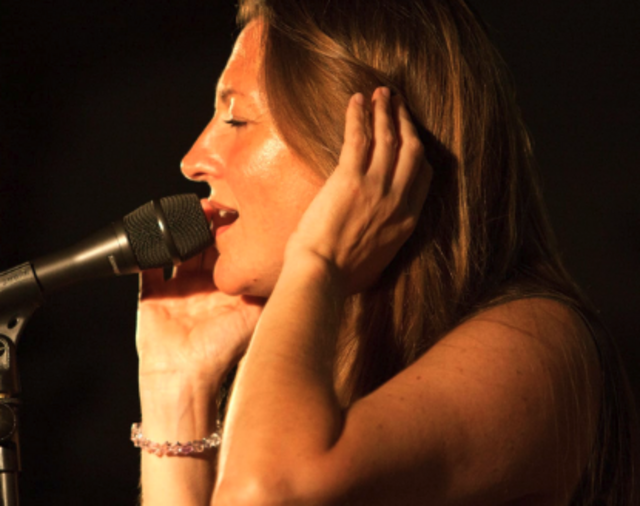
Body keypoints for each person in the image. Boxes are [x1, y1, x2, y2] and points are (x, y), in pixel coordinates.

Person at [133, 0, 638, 504]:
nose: (193, 160)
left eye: (237, 118)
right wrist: (177, 387)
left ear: (373, 143)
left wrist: (319, 261)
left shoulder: (536, 344)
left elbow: (265, 492)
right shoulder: (316, 365)